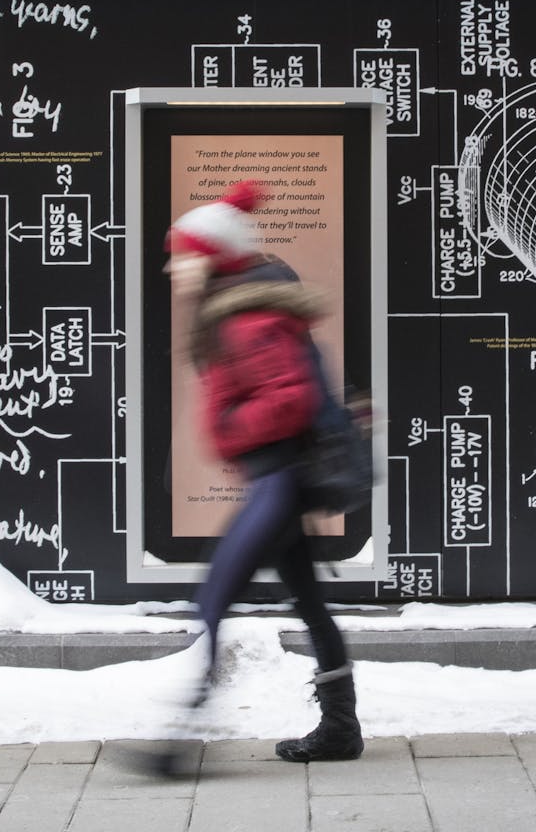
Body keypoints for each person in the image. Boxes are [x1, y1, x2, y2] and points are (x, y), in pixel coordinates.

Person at [159, 179, 362, 768]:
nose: (173, 269)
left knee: (215, 599)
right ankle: (341, 729)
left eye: (182, 256)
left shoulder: (246, 321)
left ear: (212, 258)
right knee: (308, 601)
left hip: (276, 482)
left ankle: (175, 743)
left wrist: (228, 425)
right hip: (278, 479)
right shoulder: (238, 311)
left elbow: (291, 398)